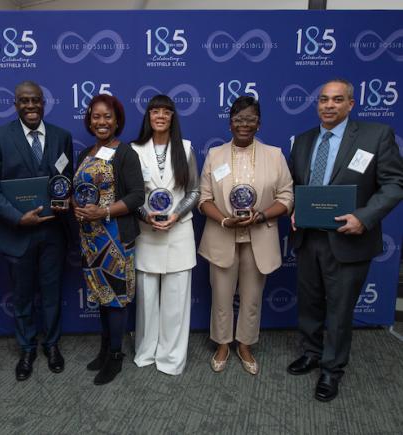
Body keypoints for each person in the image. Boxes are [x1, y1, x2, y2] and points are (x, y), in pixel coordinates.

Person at [287, 79, 403, 401]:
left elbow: (394, 184)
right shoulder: (304, 141)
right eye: (323, 99)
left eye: (337, 100)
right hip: (308, 238)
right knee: (309, 303)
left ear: (351, 104)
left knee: (339, 311)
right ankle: (311, 353)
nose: (328, 105)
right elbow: (297, 186)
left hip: (349, 239)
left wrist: (364, 218)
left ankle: (331, 370)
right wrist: (294, 209)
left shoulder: (375, 135)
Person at [0, 80, 73, 381]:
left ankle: (52, 345)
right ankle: (27, 348)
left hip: (53, 233)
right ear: (15, 103)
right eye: (24, 101)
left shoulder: (61, 136)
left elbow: (66, 180)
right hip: (18, 231)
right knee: (21, 297)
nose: (30, 106)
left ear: (44, 102)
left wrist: (65, 200)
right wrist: (18, 217)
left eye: (35, 100)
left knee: (52, 294)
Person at [198, 96, 293, 375]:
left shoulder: (274, 155)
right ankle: (223, 344)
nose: (244, 124)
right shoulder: (215, 155)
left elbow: (287, 197)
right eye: (239, 119)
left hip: (259, 237)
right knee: (222, 297)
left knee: (252, 297)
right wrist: (225, 220)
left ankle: (245, 344)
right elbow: (204, 199)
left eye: (250, 119)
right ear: (230, 123)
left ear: (259, 123)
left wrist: (262, 215)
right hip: (222, 235)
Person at [74, 94, 144, 385]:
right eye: (96, 116)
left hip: (115, 238)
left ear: (117, 121)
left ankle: (115, 356)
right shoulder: (85, 154)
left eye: (107, 117)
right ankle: (105, 350)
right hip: (90, 240)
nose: (101, 122)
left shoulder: (126, 153)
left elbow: (137, 196)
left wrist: (102, 211)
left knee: (116, 299)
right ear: (89, 120)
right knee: (102, 298)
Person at [130, 95, 199, 375]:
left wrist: (175, 216)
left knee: (176, 301)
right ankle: (146, 351)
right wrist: (147, 216)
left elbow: (194, 191)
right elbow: (131, 196)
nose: (160, 116)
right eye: (154, 111)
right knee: (146, 300)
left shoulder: (186, 148)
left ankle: (171, 359)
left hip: (178, 231)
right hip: (147, 233)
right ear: (148, 116)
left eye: (166, 112)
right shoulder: (133, 150)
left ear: (172, 117)